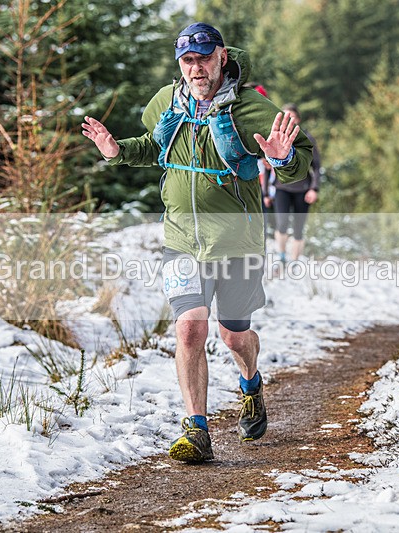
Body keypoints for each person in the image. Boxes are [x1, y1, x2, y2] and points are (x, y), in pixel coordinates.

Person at [81, 22, 313, 463]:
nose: (195, 69)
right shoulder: (167, 102)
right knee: (190, 327)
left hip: (237, 241)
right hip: (182, 239)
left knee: (233, 335)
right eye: (187, 61)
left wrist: (283, 157)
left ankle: (251, 383)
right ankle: (197, 428)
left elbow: (300, 166)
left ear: (222, 57)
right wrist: (117, 151)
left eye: (203, 59)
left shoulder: (252, 109)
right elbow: (154, 147)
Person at [272, 104, 321, 265]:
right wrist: (266, 191)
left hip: (302, 189)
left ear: (298, 119)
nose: (289, 119)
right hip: (281, 188)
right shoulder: (275, 137)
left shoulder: (307, 138)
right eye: (285, 116)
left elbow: (316, 166)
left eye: (292, 116)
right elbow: (267, 165)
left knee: (299, 228)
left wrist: (314, 189)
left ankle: (295, 260)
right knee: (282, 223)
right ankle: (281, 255)